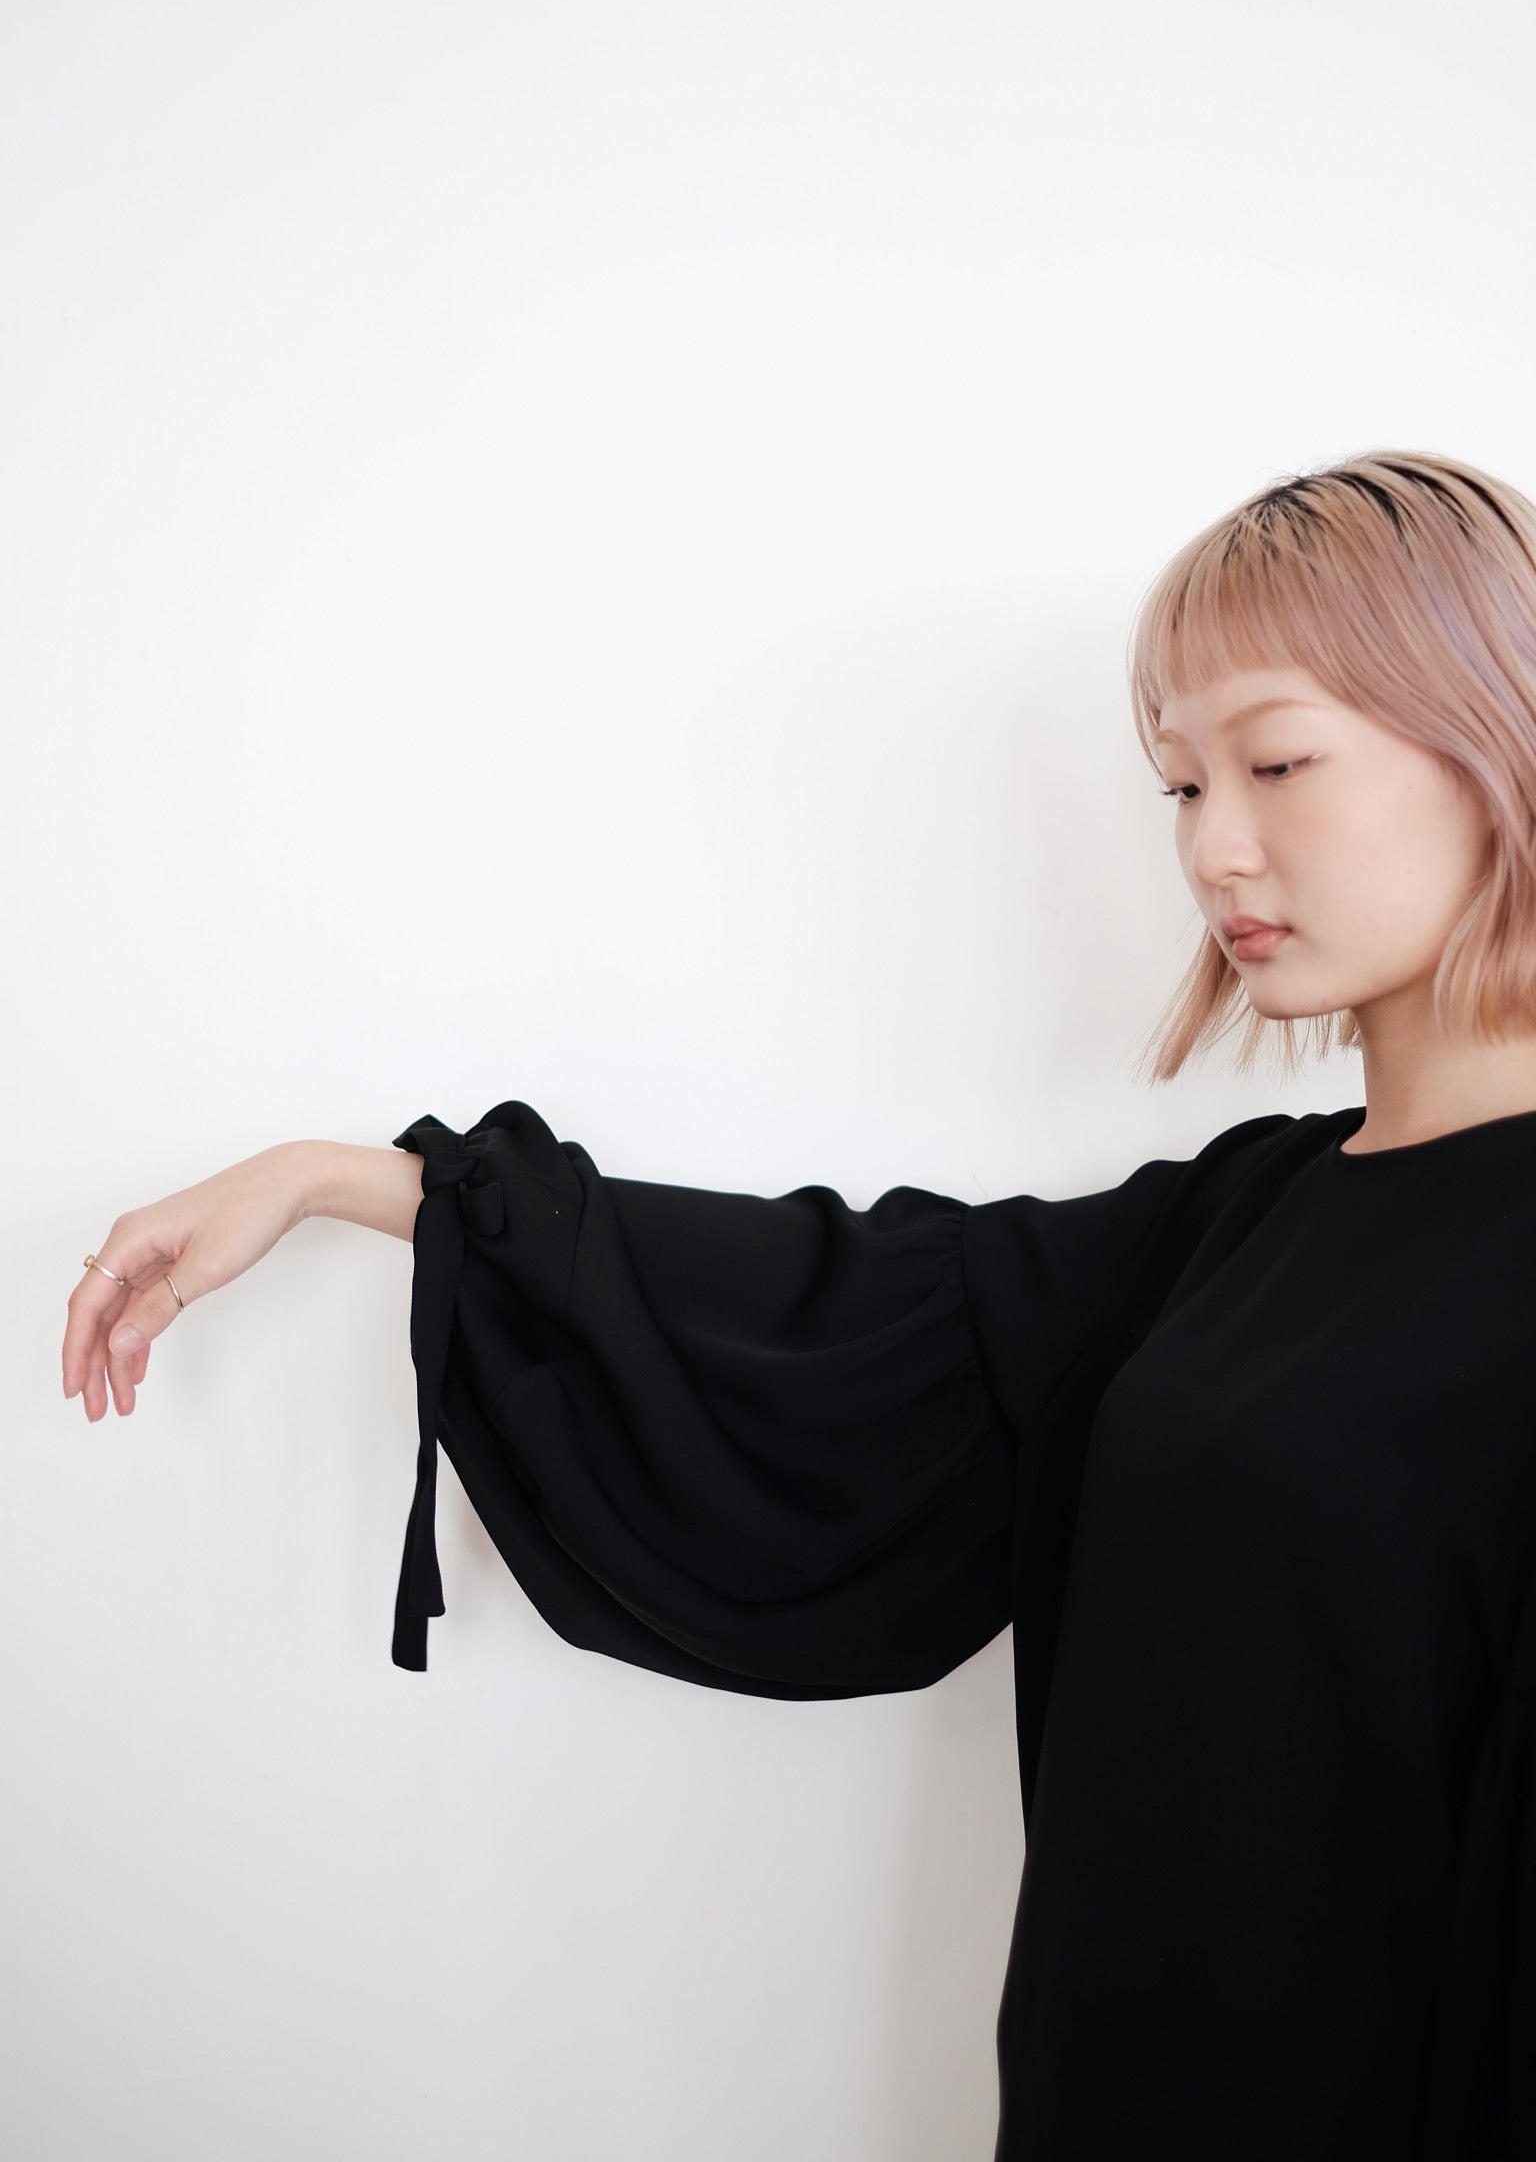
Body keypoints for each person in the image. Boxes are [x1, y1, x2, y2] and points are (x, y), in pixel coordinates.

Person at [60, 449, 1536, 2159]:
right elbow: (847, 1321)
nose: (1213, 847)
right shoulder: (1240, 1222)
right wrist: (350, 1181)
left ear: (1495, 736)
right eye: (1180, 785)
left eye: (1274, 762)